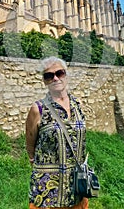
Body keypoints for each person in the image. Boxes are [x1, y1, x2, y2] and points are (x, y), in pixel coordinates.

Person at [26, 56, 89, 209]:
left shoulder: (77, 105)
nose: (55, 78)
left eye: (59, 73)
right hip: (48, 190)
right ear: (44, 81)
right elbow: (30, 145)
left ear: (66, 75)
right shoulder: (38, 109)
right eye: (49, 75)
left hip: (76, 185)